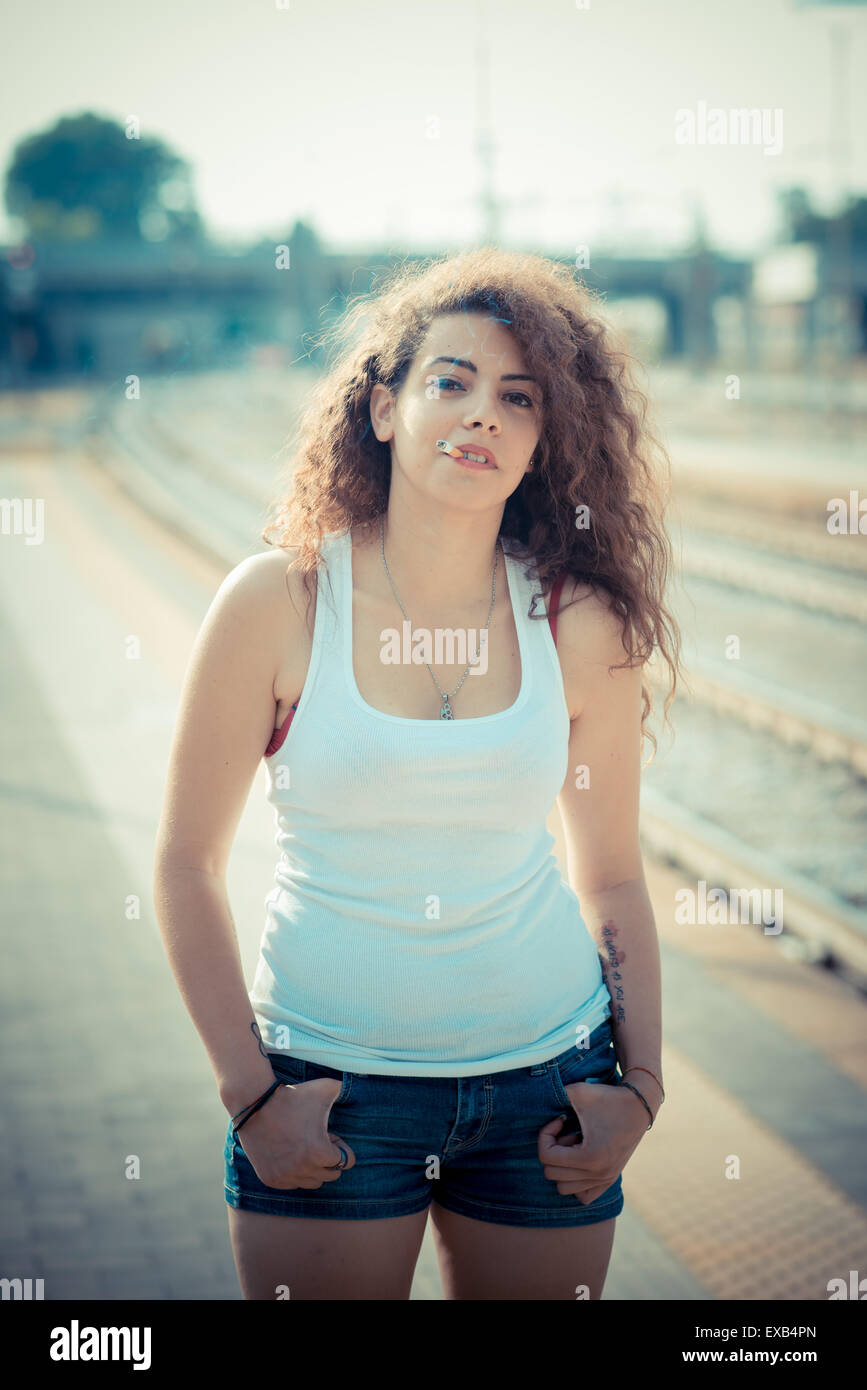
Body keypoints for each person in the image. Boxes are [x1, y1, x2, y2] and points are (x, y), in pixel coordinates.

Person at [153, 246, 682, 1301]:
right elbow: (183, 864)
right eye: (451, 381)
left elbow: (612, 872)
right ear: (384, 408)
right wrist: (251, 1096)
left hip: (551, 1090)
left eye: (517, 398)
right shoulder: (280, 601)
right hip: (329, 1094)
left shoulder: (578, 623)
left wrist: (644, 1087)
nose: (483, 413)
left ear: (544, 439)